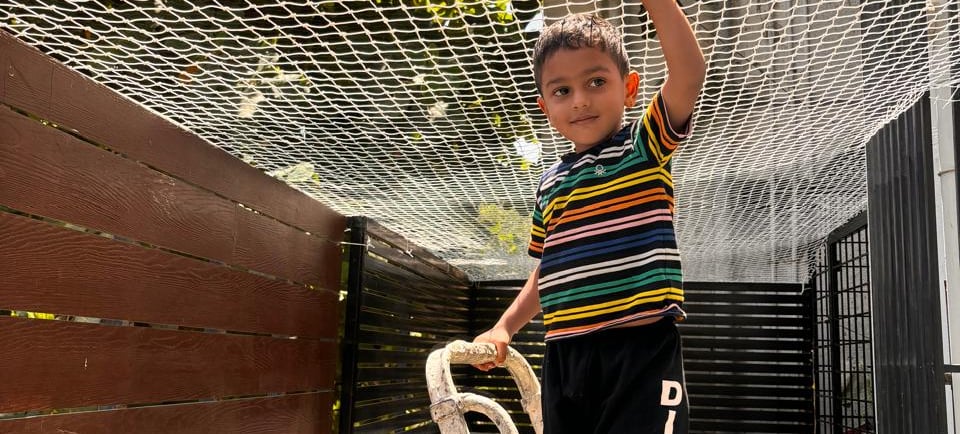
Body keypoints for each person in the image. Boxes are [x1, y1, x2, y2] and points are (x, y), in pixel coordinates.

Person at [472, 3, 705, 433]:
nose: (580, 100)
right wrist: (503, 327)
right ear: (545, 107)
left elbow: (689, 72)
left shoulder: (643, 148)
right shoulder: (550, 184)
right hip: (565, 356)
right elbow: (548, 271)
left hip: (639, 350)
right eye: (562, 91)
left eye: (596, 82)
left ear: (630, 88)